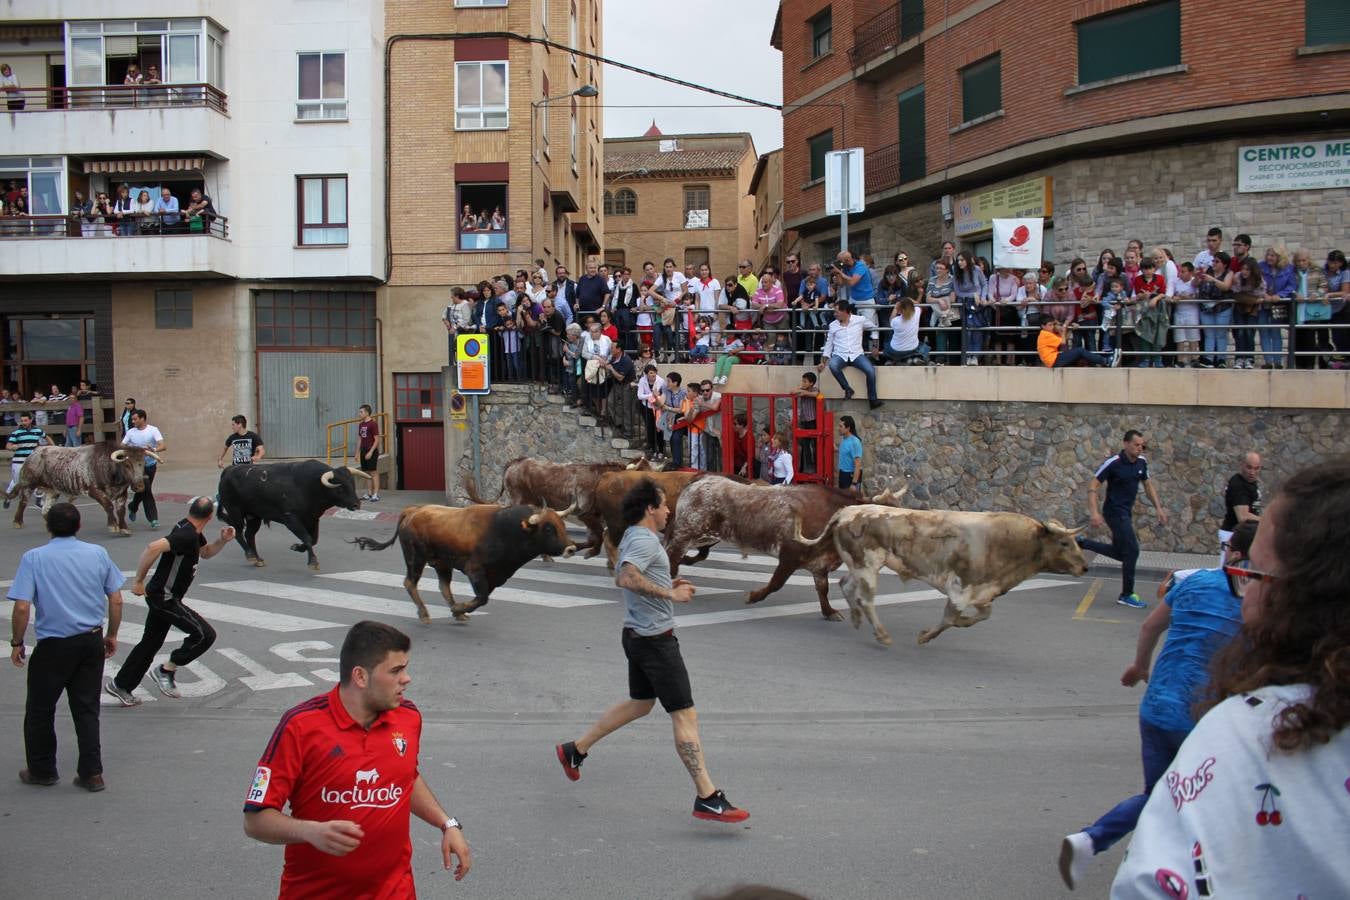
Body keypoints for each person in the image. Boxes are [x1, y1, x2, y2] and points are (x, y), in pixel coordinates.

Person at [1110, 458, 1350, 897]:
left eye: (1254, 576)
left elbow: (1150, 886)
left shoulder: (1248, 732)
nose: (1243, 597)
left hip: (1163, 711)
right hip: (1178, 714)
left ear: (1305, 595)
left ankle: (1093, 836)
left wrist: (1141, 667)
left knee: (1161, 795)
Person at [1058, 521, 1257, 890]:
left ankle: (1104, 845)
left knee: (1162, 795)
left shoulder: (1193, 582)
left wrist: (1139, 666)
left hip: (1156, 708)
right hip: (1200, 717)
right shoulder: (1254, 604)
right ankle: (1101, 843)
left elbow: (1150, 626)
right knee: (1196, 801)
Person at [554, 479, 749, 824]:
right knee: (685, 715)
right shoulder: (643, 540)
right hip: (656, 642)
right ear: (650, 509)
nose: (669, 510)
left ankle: (575, 750)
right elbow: (626, 578)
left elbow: (632, 572)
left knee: (640, 705)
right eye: (664, 505)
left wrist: (664, 583)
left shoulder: (633, 534)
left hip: (638, 636)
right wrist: (670, 595)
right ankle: (707, 796)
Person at [243, 621, 472, 896]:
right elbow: (255, 821)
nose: (407, 678)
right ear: (361, 677)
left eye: (405, 668)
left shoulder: (408, 718)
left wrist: (446, 824)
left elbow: (405, 777)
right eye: (396, 670)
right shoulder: (301, 727)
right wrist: (310, 832)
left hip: (394, 891)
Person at [7, 503, 124, 791]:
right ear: (79, 526)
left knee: (40, 709)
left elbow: (22, 607)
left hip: (53, 645)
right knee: (86, 709)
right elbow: (116, 598)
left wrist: (17, 641)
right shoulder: (97, 553)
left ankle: (42, 769)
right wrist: (111, 634)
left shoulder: (34, 558)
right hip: (90, 640)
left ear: (48, 526)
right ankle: (92, 773)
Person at [103, 497, 232, 706]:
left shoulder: (190, 529)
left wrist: (222, 541)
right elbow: (153, 547)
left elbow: (205, 553)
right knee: (204, 635)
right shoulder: (186, 534)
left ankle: (121, 685)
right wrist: (138, 580)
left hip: (163, 596)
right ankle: (166, 670)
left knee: (150, 643)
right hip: (164, 598)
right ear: (209, 517)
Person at [1078, 430, 1169, 610]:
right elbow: (1093, 485)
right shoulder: (1114, 463)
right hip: (1114, 512)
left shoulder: (1142, 462)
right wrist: (1094, 512)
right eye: (1136, 445)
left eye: (1142, 445)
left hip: (1126, 513)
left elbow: (1148, 485)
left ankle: (1083, 543)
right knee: (1133, 551)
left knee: (1122, 553)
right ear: (1126, 444)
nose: (1140, 448)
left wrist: (1159, 508)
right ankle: (1126, 594)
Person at [817, 299, 882, 409]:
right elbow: (828, 344)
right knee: (833, 365)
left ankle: (873, 400)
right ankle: (847, 389)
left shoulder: (859, 320)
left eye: (837, 312)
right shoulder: (833, 325)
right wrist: (823, 361)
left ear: (845, 311)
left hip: (857, 354)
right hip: (840, 355)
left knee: (870, 370)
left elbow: (874, 327)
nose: (834, 314)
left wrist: (875, 345)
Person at [121, 408, 165, 528]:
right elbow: (122, 446)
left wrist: (154, 449)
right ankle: (153, 519)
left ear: (142, 419)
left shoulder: (153, 430)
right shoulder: (131, 432)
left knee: (143, 489)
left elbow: (162, 445)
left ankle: (133, 506)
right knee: (146, 490)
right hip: (137, 467)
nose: (133, 421)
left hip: (150, 465)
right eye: (132, 419)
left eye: (135, 419)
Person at [1219, 451, 1261, 561]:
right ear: (1242, 465)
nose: (1252, 472)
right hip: (1232, 535)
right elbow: (1242, 517)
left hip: (1243, 535)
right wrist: (1265, 520)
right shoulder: (1239, 484)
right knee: (1226, 572)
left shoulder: (1251, 483)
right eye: (1249, 467)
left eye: (1256, 468)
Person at [4, 411, 50, 511]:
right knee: (17, 482)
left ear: (30, 420)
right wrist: (13, 447)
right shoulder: (16, 433)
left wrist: (52, 447)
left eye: (25, 420)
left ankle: (38, 500)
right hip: (18, 461)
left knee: (37, 480)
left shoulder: (37, 431)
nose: (23, 422)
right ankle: (8, 496)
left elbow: (47, 437)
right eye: (22, 421)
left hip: (32, 461)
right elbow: (8, 446)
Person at [1036, 318, 1112, 368]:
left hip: (1053, 359)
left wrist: (1071, 329)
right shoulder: (1045, 334)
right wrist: (1062, 330)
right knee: (1080, 350)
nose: (1052, 327)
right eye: (1050, 325)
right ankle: (1106, 361)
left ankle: (1098, 363)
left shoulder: (1047, 333)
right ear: (1043, 326)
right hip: (1053, 360)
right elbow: (1063, 342)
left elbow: (1065, 338)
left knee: (1079, 355)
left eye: (1052, 325)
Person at [791, 371, 820, 474]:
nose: (803, 383)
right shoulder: (801, 389)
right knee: (805, 445)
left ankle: (816, 466)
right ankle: (806, 467)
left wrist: (805, 393)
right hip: (804, 421)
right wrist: (801, 389)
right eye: (802, 381)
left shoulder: (814, 389)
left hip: (812, 420)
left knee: (815, 444)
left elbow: (817, 394)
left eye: (805, 381)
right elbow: (792, 391)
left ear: (811, 383)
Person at [357, 404, 380, 502]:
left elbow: (377, 440)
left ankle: (375, 494)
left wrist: (371, 452)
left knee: (373, 472)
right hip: (363, 451)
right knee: (366, 473)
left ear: (367, 412)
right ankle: (369, 493)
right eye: (359, 412)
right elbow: (360, 439)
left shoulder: (373, 424)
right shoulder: (361, 424)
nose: (359, 414)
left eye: (361, 412)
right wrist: (357, 453)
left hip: (371, 451)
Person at [836, 415, 863, 492]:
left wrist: (854, 484)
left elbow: (858, 465)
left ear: (848, 428)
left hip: (850, 477)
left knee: (852, 502)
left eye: (841, 426)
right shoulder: (844, 438)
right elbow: (848, 452)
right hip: (843, 474)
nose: (838, 428)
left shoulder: (855, 442)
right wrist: (837, 449)